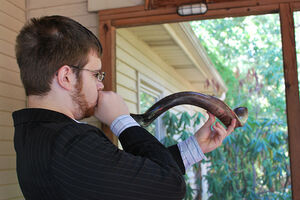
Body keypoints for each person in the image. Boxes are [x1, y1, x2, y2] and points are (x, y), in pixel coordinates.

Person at [12, 15, 236, 200]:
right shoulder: (68, 142)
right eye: (96, 74)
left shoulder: (34, 134)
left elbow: (132, 177)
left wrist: (194, 147)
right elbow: (168, 187)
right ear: (66, 76)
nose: (100, 84)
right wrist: (122, 120)